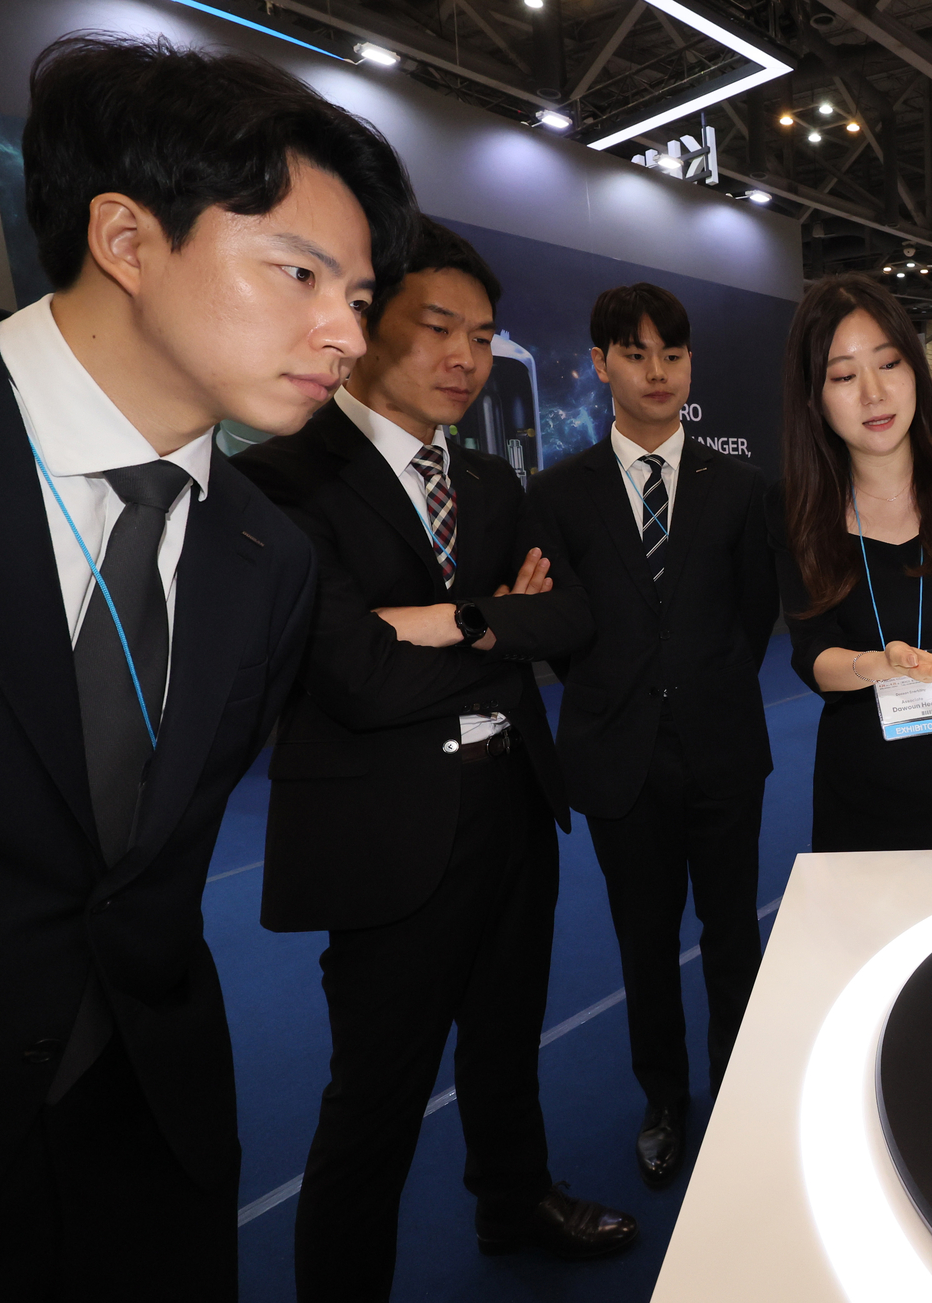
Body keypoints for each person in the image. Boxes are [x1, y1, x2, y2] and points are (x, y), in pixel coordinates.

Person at [0, 35, 413, 1301]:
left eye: (358, 296)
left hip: (156, 1138)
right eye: (298, 272)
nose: (343, 330)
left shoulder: (269, 556)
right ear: (127, 240)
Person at [234, 223, 633, 1301]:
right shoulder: (282, 482)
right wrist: (496, 620)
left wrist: (442, 622)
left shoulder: (496, 485)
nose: (465, 356)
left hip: (512, 807)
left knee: (507, 1043)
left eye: (484, 335)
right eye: (436, 328)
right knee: (374, 1094)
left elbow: (573, 621)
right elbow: (352, 676)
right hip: (385, 838)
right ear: (364, 329)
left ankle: (514, 1202)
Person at [523, 283, 777, 1189]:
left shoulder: (742, 487)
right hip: (617, 758)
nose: (657, 371)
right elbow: (559, 627)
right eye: (635, 353)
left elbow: (756, 615)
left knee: (731, 936)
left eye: (673, 353)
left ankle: (742, 1089)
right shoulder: (557, 494)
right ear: (599, 365)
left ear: (691, 364)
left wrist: (700, 688)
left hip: (722, 749)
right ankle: (663, 1099)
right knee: (643, 943)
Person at [771, 274, 932, 852]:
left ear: (915, 369)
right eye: (843, 376)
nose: (873, 394)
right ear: (814, 396)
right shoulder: (794, 509)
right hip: (856, 788)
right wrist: (877, 664)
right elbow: (811, 653)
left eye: (888, 365)